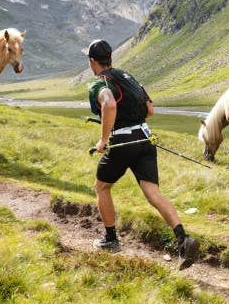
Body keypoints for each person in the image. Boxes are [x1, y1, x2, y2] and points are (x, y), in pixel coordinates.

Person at [85, 39, 199, 267]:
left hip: (123, 142)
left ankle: (110, 239)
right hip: (146, 138)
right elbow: (150, 110)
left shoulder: (99, 84)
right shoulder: (128, 77)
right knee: (153, 193)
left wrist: (104, 139)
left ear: (92, 62)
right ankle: (183, 239)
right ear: (110, 57)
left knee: (101, 186)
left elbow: (109, 105)